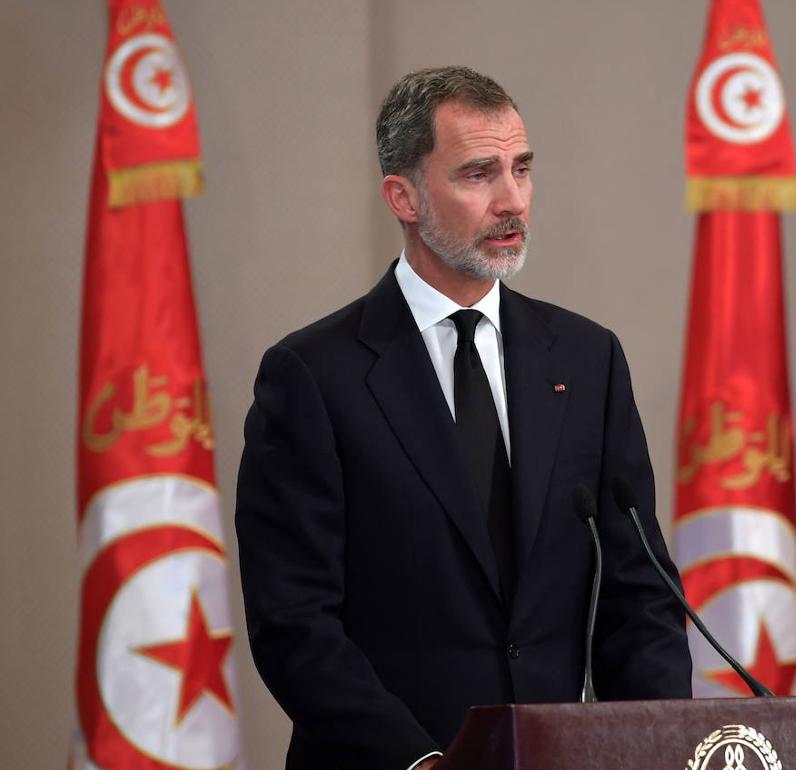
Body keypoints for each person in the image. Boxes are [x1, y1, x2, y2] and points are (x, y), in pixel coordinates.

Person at [235, 66, 692, 770]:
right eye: (479, 174)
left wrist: (660, 749)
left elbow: (641, 597)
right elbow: (294, 624)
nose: (512, 201)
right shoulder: (314, 377)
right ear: (404, 196)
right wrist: (422, 762)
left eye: (521, 169)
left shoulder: (586, 356)